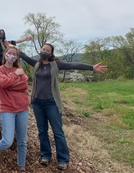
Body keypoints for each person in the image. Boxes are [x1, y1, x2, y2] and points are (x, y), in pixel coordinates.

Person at [19, 43, 108, 171]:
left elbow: (74, 65)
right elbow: (23, 55)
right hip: (37, 102)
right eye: (43, 49)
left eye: (47, 50)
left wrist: (92, 67)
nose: (44, 51)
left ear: (51, 54)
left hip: (52, 103)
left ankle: (63, 159)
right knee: (42, 131)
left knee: (58, 132)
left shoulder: (55, 64)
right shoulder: (37, 64)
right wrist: (11, 46)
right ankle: (46, 155)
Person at [0, 45, 29, 173]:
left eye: (14, 54)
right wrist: (14, 77)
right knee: (7, 141)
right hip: (7, 109)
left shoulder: (19, 68)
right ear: (5, 54)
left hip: (22, 108)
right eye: (9, 53)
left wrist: (10, 85)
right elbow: (3, 84)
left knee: (22, 141)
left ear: (16, 57)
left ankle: (21, 166)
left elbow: (24, 85)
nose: (11, 55)